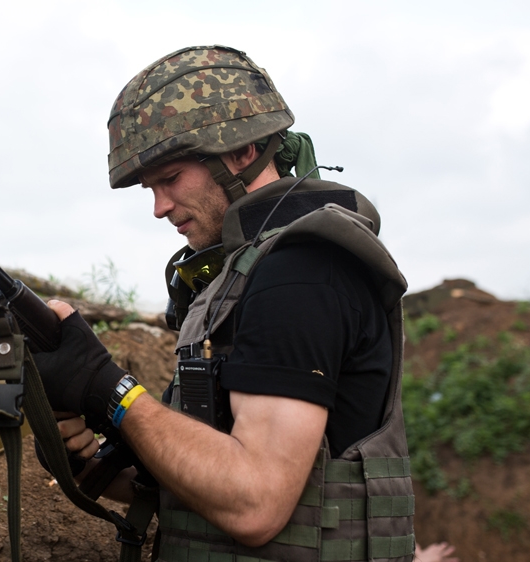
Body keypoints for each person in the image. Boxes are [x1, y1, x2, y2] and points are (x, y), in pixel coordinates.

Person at [33, 46, 415, 562]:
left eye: (170, 179)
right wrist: (87, 462)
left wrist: (112, 390)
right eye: (151, 188)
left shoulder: (303, 274)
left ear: (241, 152)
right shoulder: (241, 276)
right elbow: (191, 487)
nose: (159, 207)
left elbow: (255, 503)